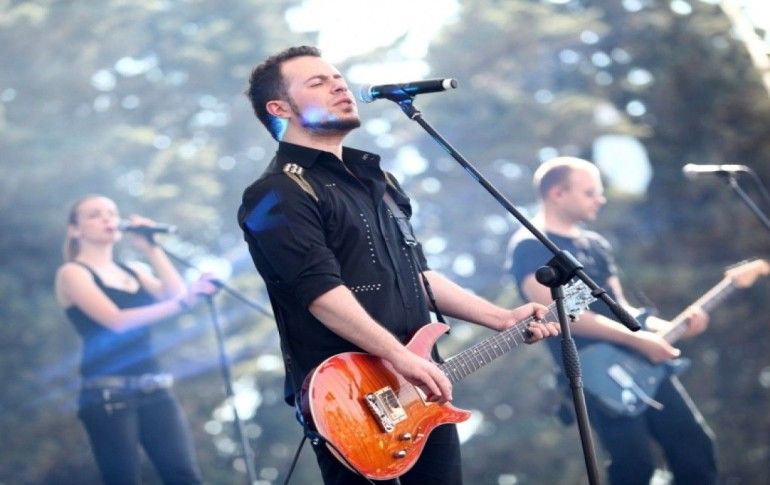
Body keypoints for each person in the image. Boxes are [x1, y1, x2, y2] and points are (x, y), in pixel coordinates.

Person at [237, 45, 560, 485]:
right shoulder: (277, 192)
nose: (339, 86)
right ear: (280, 108)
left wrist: (501, 318)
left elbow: (418, 275)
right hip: (348, 396)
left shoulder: (380, 182)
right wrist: (397, 356)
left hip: (422, 385)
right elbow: (320, 293)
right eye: (318, 82)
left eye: (338, 77)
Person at [507, 157, 718, 484]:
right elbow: (557, 314)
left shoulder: (596, 245)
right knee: (635, 465)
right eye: (590, 192)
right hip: (594, 374)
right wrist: (638, 340)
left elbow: (621, 309)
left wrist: (670, 328)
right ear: (558, 193)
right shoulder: (529, 247)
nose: (600, 199)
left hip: (640, 362)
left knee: (695, 448)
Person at [54, 194, 218, 484]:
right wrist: (183, 302)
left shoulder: (134, 271)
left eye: (111, 212)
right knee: (123, 478)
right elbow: (117, 321)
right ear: (75, 230)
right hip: (107, 394)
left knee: (184, 475)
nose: (107, 218)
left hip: (155, 389)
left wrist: (152, 248)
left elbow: (174, 295)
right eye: (95, 214)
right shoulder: (72, 273)